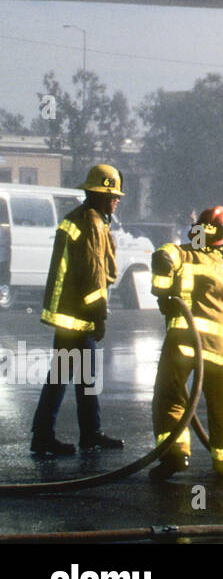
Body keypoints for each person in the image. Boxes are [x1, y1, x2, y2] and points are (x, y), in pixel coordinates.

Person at [30, 164, 125, 457]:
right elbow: (94, 276)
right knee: (66, 375)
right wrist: (99, 316)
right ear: (98, 195)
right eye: (112, 195)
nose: (116, 200)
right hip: (79, 314)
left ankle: (86, 433)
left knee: (79, 374)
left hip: (69, 311)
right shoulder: (93, 224)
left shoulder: (78, 219)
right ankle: (48, 436)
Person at [149, 206, 223, 481]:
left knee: (170, 395)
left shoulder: (182, 252)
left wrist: (162, 293)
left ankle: (175, 454)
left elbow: (162, 257)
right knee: (222, 404)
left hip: (184, 341)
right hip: (218, 348)